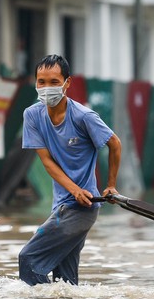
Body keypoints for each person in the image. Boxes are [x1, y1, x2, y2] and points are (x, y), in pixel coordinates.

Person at [18, 54, 122, 286]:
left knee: (28, 259)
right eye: (41, 82)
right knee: (65, 281)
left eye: (54, 82)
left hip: (82, 208)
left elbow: (115, 143)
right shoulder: (32, 115)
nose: (46, 88)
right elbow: (47, 161)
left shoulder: (83, 116)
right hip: (63, 204)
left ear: (67, 83)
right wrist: (73, 189)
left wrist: (111, 185)